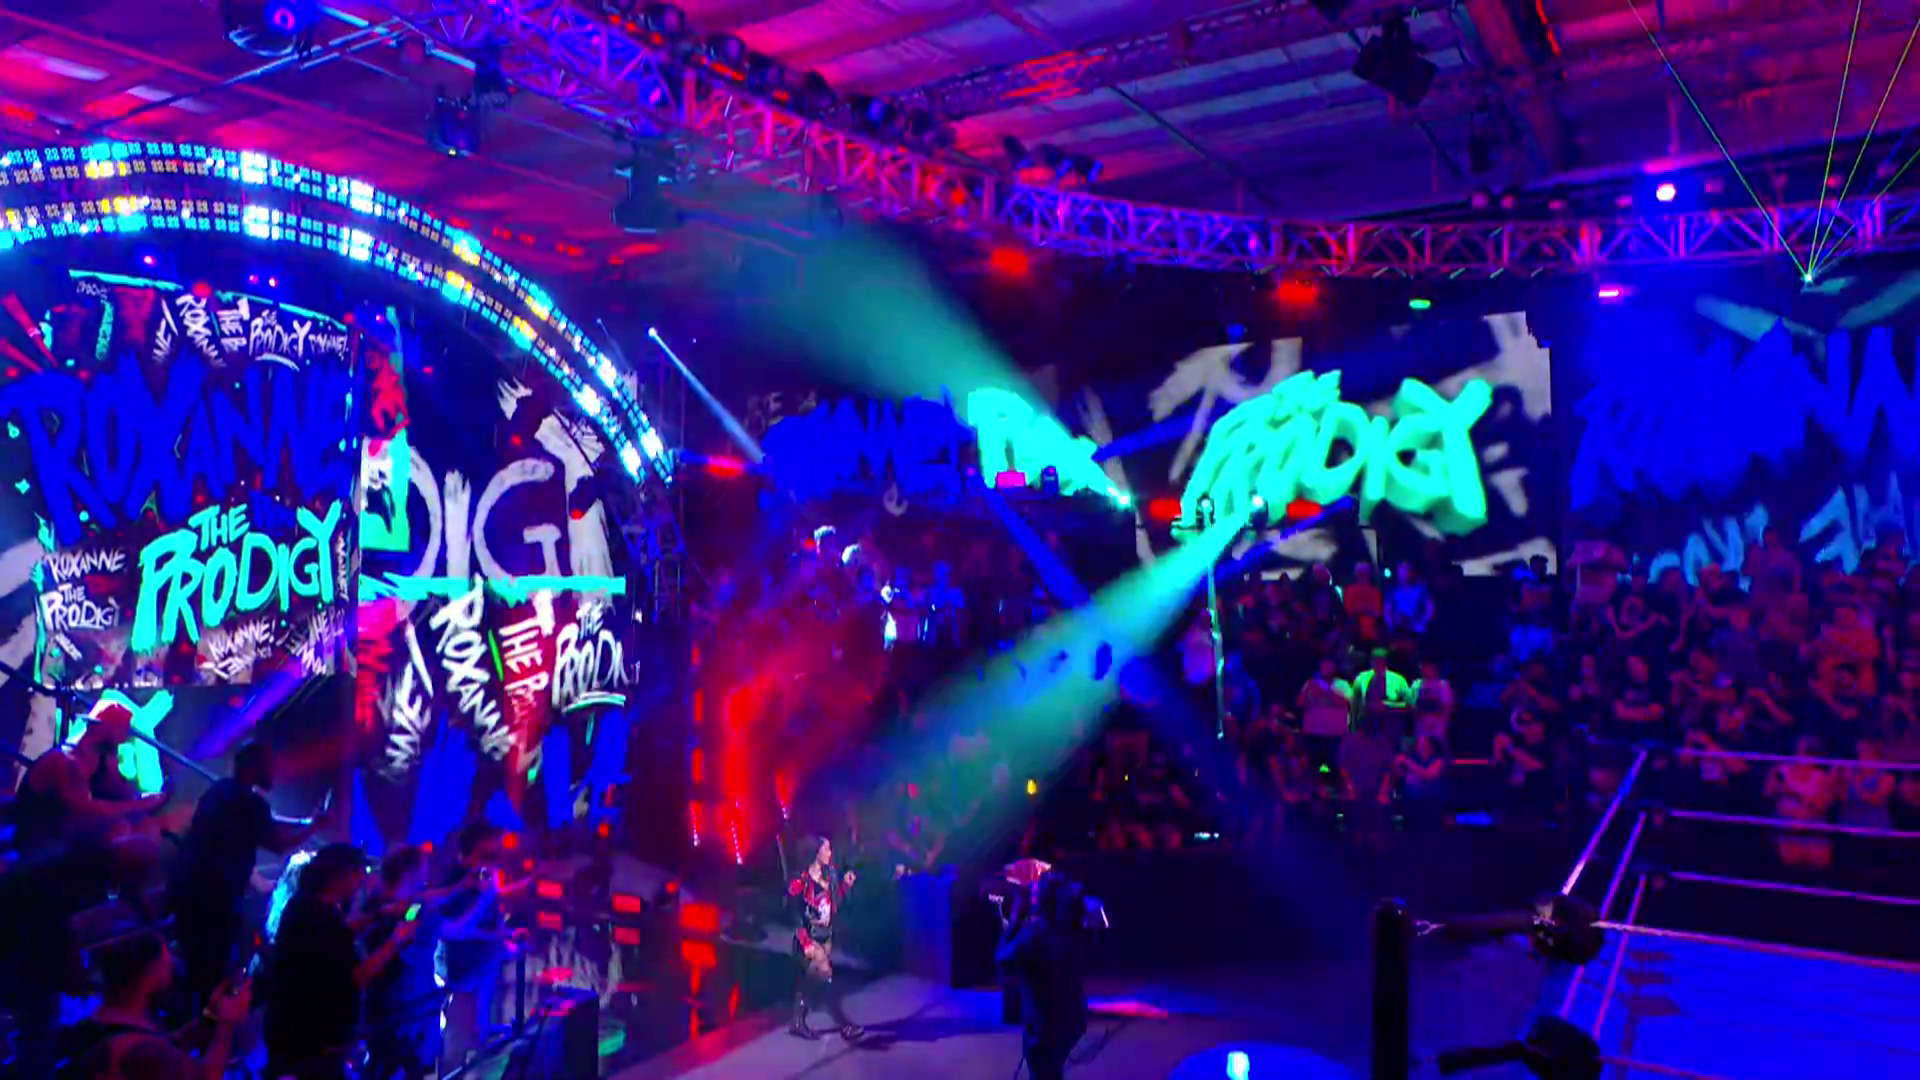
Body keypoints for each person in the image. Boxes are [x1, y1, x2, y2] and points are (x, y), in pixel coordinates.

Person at [165, 741, 329, 1015]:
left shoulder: (220, 791)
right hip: (214, 899)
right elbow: (277, 843)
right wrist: (312, 830)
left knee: (195, 969)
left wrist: (307, 823)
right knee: (212, 973)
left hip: (189, 890)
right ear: (253, 766)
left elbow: (268, 821)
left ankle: (192, 1025)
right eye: (269, 765)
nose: (273, 772)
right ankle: (208, 1028)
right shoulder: (248, 803)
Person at [263, 843, 415, 1080]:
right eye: (358, 875)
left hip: (299, 1029)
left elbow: (338, 934)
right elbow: (356, 976)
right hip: (311, 1038)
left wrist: (380, 914)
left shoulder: (308, 904)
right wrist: (396, 939)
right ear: (339, 878)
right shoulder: (317, 916)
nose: (361, 882)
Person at [56, 930, 251, 1080]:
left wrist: (212, 1015)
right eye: (167, 959)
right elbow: (206, 1077)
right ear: (150, 973)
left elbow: (169, 1043)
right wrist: (227, 1024)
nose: (173, 965)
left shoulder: (103, 1022)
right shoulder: (144, 1052)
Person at [435, 824, 529, 1071]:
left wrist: (503, 936)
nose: (494, 860)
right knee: (457, 1046)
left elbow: (484, 923)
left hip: (482, 969)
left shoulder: (482, 877)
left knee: (480, 1040)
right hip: (463, 976)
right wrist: (485, 900)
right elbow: (455, 931)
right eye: (488, 853)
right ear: (471, 851)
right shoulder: (456, 881)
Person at [995, 873, 1089, 1080]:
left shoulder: (1033, 938)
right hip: (1072, 1019)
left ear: (1039, 902)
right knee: (1053, 1070)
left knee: (1043, 1071)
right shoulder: (1071, 931)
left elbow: (1002, 959)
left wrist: (1015, 918)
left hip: (1044, 1027)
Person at [787, 835, 862, 1040]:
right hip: (808, 939)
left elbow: (833, 906)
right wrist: (806, 943)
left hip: (825, 938)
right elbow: (792, 915)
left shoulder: (830, 876)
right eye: (827, 849)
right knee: (827, 976)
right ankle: (845, 1026)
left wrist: (845, 886)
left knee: (814, 981)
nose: (830, 853)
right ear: (816, 852)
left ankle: (797, 1021)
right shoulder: (800, 881)